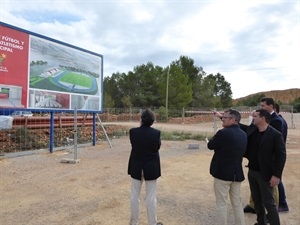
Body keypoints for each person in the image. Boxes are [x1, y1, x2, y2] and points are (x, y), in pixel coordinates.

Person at [244, 109, 286, 225]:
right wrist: (222, 117)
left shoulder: (275, 135)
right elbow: (238, 125)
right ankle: (261, 222)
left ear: (262, 118)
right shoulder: (253, 130)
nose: (253, 118)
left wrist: (277, 175)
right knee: (257, 201)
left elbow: (281, 156)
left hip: (266, 174)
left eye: (255, 116)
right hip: (252, 171)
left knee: (268, 202)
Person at [208, 109, 247, 225]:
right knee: (237, 203)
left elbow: (210, 145)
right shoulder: (244, 134)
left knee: (221, 203)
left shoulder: (223, 133)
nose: (222, 119)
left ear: (233, 120)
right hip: (237, 173)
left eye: (225, 117)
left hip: (222, 174)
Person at [127, 109, 163, 225]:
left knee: (134, 196)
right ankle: (152, 223)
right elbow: (157, 147)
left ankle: (134, 222)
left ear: (141, 119)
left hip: (136, 167)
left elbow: (134, 144)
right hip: (151, 168)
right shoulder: (156, 133)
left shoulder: (133, 132)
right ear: (152, 121)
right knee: (151, 197)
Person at [274, 103, 289, 212]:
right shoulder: (281, 120)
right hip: (278, 153)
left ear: (273, 109)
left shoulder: (278, 121)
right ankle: (282, 203)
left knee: (277, 179)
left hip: (276, 154)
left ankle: (282, 203)